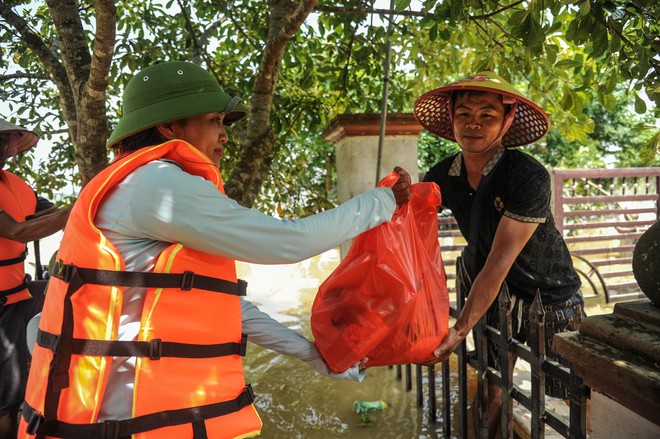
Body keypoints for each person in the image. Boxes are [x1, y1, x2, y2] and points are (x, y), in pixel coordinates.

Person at [19, 60, 411, 439]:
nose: (225, 135)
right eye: (214, 121)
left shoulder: (137, 183)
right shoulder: (157, 184)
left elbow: (221, 306)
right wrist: (379, 203)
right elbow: (288, 242)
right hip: (119, 422)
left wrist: (313, 355)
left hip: (120, 420)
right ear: (169, 126)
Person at [414, 71, 585, 438]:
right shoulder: (443, 174)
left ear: (506, 121)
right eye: (464, 114)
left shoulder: (527, 176)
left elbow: (497, 263)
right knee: (492, 386)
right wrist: (397, 193)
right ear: (452, 118)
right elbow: (412, 222)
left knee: (570, 397)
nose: (473, 124)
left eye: (486, 115)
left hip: (550, 296)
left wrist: (460, 328)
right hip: (493, 300)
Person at [0, 119, 71, 439]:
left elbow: (50, 216)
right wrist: (79, 206)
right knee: (5, 403)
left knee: (18, 397)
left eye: (6, 140)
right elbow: (16, 231)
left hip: (17, 299)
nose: (4, 146)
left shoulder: (16, 184)